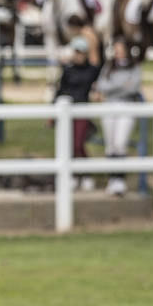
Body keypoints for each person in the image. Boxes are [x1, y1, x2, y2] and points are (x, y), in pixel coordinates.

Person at [55, 35, 103, 190]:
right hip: (66, 111)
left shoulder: (92, 70)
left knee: (78, 143)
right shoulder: (68, 70)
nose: (78, 55)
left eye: (81, 52)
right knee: (68, 144)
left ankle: (85, 174)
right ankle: (75, 175)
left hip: (82, 110)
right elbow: (60, 90)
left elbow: (101, 72)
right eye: (76, 52)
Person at [97, 39, 142, 196]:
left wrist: (113, 88)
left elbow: (133, 87)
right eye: (116, 50)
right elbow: (102, 86)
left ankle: (120, 179)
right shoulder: (109, 67)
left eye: (120, 49)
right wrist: (122, 86)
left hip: (126, 106)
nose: (118, 53)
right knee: (110, 144)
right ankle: (112, 179)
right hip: (109, 107)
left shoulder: (134, 67)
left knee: (120, 143)